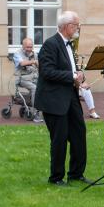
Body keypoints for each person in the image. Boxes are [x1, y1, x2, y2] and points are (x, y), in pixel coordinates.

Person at [34, 11, 90, 186]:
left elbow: (70, 69)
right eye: (76, 25)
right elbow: (47, 71)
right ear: (67, 27)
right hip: (54, 100)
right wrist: (72, 76)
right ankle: (56, 177)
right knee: (59, 139)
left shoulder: (70, 44)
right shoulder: (50, 44)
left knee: (79, 135)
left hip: (70, 97)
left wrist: (80, 78)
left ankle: (76, 173)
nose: (78, 29)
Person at [12, 38, 43, 123]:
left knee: (45, 87)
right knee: (34, 89)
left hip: (34, 77)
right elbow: (22, 63)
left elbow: (39, 66)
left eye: (31, 47)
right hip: (22, 79)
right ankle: (36, 113)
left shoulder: (35, 54)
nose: (29, 49)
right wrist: (34, 61)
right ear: (23, 46)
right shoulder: (17, 54)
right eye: (27, 47)